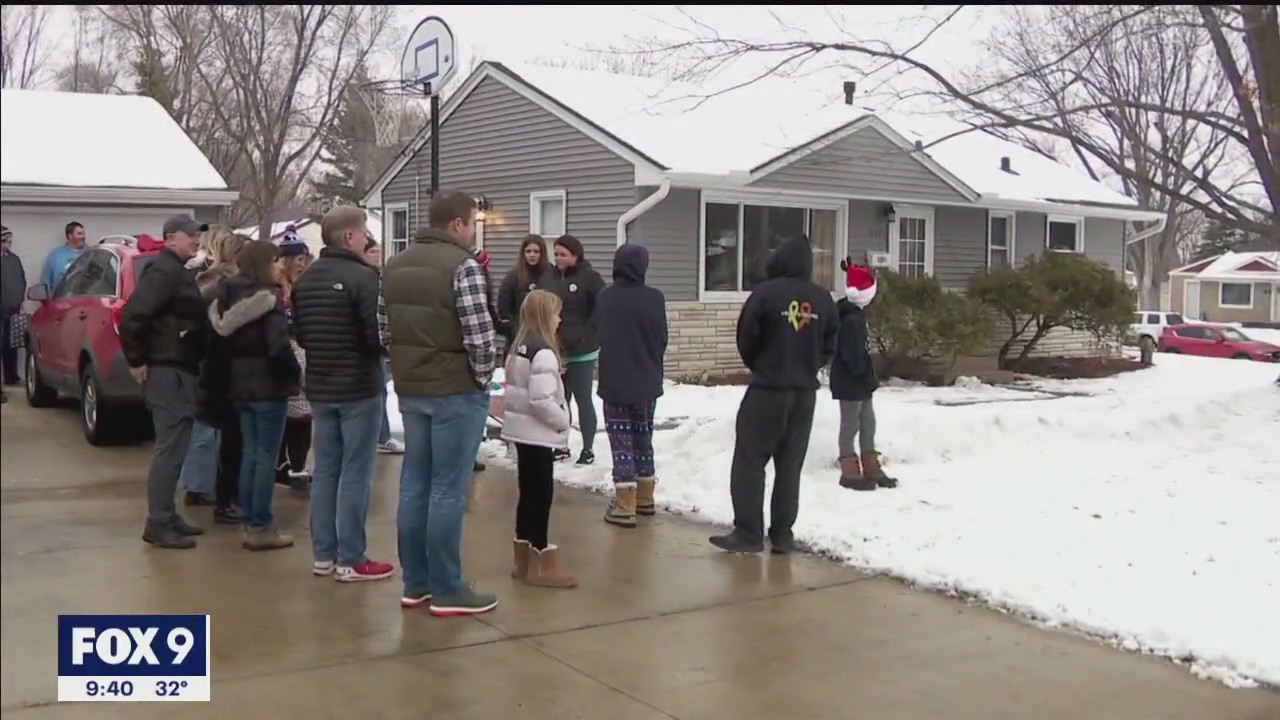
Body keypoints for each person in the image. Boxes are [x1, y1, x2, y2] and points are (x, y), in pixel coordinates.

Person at [383, 190, 498, 616]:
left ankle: (417, 581)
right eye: (472, 223)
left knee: (414, 484)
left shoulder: (393, 266)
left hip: (413, 389)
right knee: (448, 490)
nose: (473, 231)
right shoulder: (463, 266)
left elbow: (383, 328)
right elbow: (480, 336)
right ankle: (448, 587)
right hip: (455, 390)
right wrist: (482, 379)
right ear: (456, 224)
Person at [709, 235, 838, 555]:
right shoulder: (823, 299)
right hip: (804, 395)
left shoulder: (764, 294)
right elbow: (830, 346)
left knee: (750, 461)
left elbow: (746, 338)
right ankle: (782, 535)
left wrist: (764, 366)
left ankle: (749, 533)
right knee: (790, 465)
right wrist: (807, 366)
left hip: (768, 390)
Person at [292, 205, 394, 582]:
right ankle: (352, 556)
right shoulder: (364, 279)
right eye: (364, 232)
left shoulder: (306, 279)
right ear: (349, 236)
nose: (368, 238)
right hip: (359, 388)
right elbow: (376, 336)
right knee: (355, 473)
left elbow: (301, 334)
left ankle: (324, 554)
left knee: (327, 471)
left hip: (321, 385)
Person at [118, 215, 210, 549]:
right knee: (169, 451)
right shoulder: (164, 272)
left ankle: (168, 515)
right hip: (166, 371)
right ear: (170, 238)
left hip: (181, 369)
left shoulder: (177, 271)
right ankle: (158, 522)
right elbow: (132, 317)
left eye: (198, 236)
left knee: (178, 447)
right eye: (191, 236)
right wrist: (137, 359)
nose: (196, 241)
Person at [207, 241, 300, 550]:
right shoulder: (267, 302)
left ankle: (249, 519)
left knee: (250, 454)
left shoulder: (225, 298)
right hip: (268, 388)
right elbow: (278, 347)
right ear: (262, 264)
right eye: (275, 261)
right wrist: (294, 376)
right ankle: (261, 525)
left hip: (239, 386)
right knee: (264, 458)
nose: (280, 267)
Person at [501, 289, 577, 588]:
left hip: (522, 433)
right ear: (546, 316)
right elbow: (541, 399)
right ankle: (540, 563)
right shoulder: (544, 352)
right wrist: (562, 422)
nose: (560, 319)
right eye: (557, 312)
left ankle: (523, 562)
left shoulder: (520, 346)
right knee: (541, 496)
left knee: (527, 494)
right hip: (539, 434)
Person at [596, 244, 668, 528]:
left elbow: (598, 331)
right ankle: (645, 497)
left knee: (621, 442)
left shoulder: (605, 298)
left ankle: (625, 503)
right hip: (647, 379)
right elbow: (662, 338)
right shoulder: (655, 298)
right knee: (643, 438)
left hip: (615, 379)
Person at [189, 230, 249, 523]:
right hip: (219, 367)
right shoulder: (223, 285)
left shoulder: (208, 280)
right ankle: (213, 494)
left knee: (211, 430)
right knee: (223, 435)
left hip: (209, 365)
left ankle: (207, 488)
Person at [180, 226, 238, 508]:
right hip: (211, 358)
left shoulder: (199, 276)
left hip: (202, 356)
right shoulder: (216, 281)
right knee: (206, 424)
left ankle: (198, 483)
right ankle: (200, 486)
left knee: (204, 423)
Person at [831, 262, 897, 492]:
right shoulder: (850, 320)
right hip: (851, 382)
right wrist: (863, 374)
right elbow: (852, 356)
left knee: (868, 423)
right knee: (850, 425)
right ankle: (849, 469)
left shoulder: (857, 316)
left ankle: (871, 466)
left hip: (861, 382)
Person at [541, 234, 605, 465]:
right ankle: (561, 445)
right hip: (555, 350)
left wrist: (585, 335)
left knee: (583, 398)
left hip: (583, 350)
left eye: (563, 254)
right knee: (560, 399)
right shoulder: (548, 277)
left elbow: (600, 309)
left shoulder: (590, 278)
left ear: (575, 255)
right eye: (556, 254)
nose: (558, 258)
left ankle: (588, 448)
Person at [274, 230, 317, 492]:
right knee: (292, 411)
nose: (301, 263)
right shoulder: (278, 288)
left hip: (301, 349)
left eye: (304, 258)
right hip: (286, 350)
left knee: (302, 412)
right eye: (297, 258)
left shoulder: (300, 285)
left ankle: (295, 464)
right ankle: (285, 465)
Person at [364, 238, 405, 455]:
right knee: (377, 391)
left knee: (381, 392)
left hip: (378, 344)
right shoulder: (367, 279)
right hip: (370, 345)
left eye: (378, 250)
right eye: (372, 251)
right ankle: (380, 436)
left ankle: (382, 434)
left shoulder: (379, 276)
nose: (377, 254)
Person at [496, 235, 549, 343]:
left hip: (544, 333)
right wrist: (513, 329)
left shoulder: (550, 274)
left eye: (536, 251)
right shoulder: (513, 276)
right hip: (519, 334)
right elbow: (503, 306)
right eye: (528, 251)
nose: (532, 255)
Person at [1, 226, 28, 390]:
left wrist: (19, 301)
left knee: (10, 344)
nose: (9, 244)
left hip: (12, 309)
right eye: (6, 241)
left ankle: (11, 377)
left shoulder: (14, 259)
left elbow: (21, 280)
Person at [39, 221, 87, 290]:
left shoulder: (90, 254)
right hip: (61, 298)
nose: (83, 236)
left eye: (84, 234)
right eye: (79, 234)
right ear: (70, 236)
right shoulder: (56, 255)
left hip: (84, 297)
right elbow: (45, 280)